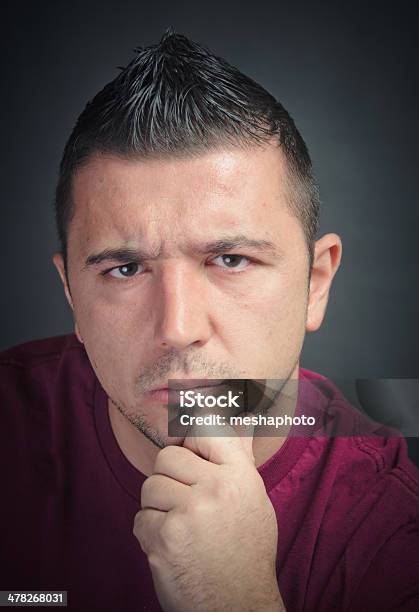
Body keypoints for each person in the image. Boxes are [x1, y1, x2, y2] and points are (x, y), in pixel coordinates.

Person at [0, 31, 418, 612]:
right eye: (125, 269)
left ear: (315, 284)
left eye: (230, 260)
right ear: (71, 290)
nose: (177, 327)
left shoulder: (393, 533)